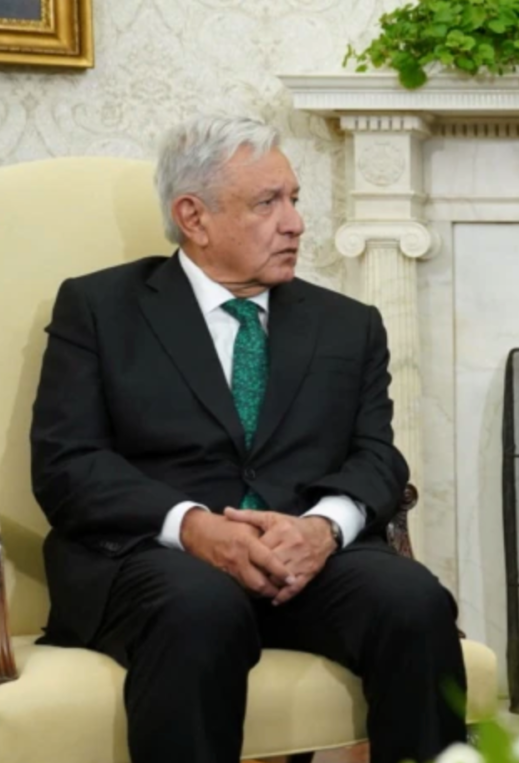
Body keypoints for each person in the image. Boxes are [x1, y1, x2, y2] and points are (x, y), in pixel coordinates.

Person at [29, 115, 466, 763]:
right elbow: (67, 465)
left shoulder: (348, 325)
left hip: (308, 562)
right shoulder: (100, 310)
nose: (294, 222)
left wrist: (323, 528)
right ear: (194, 217)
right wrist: (196, 527)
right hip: (159, 560)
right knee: (200, 608)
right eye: (268, 203)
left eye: (294, 199)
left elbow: (377, 456)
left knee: (415, 602)